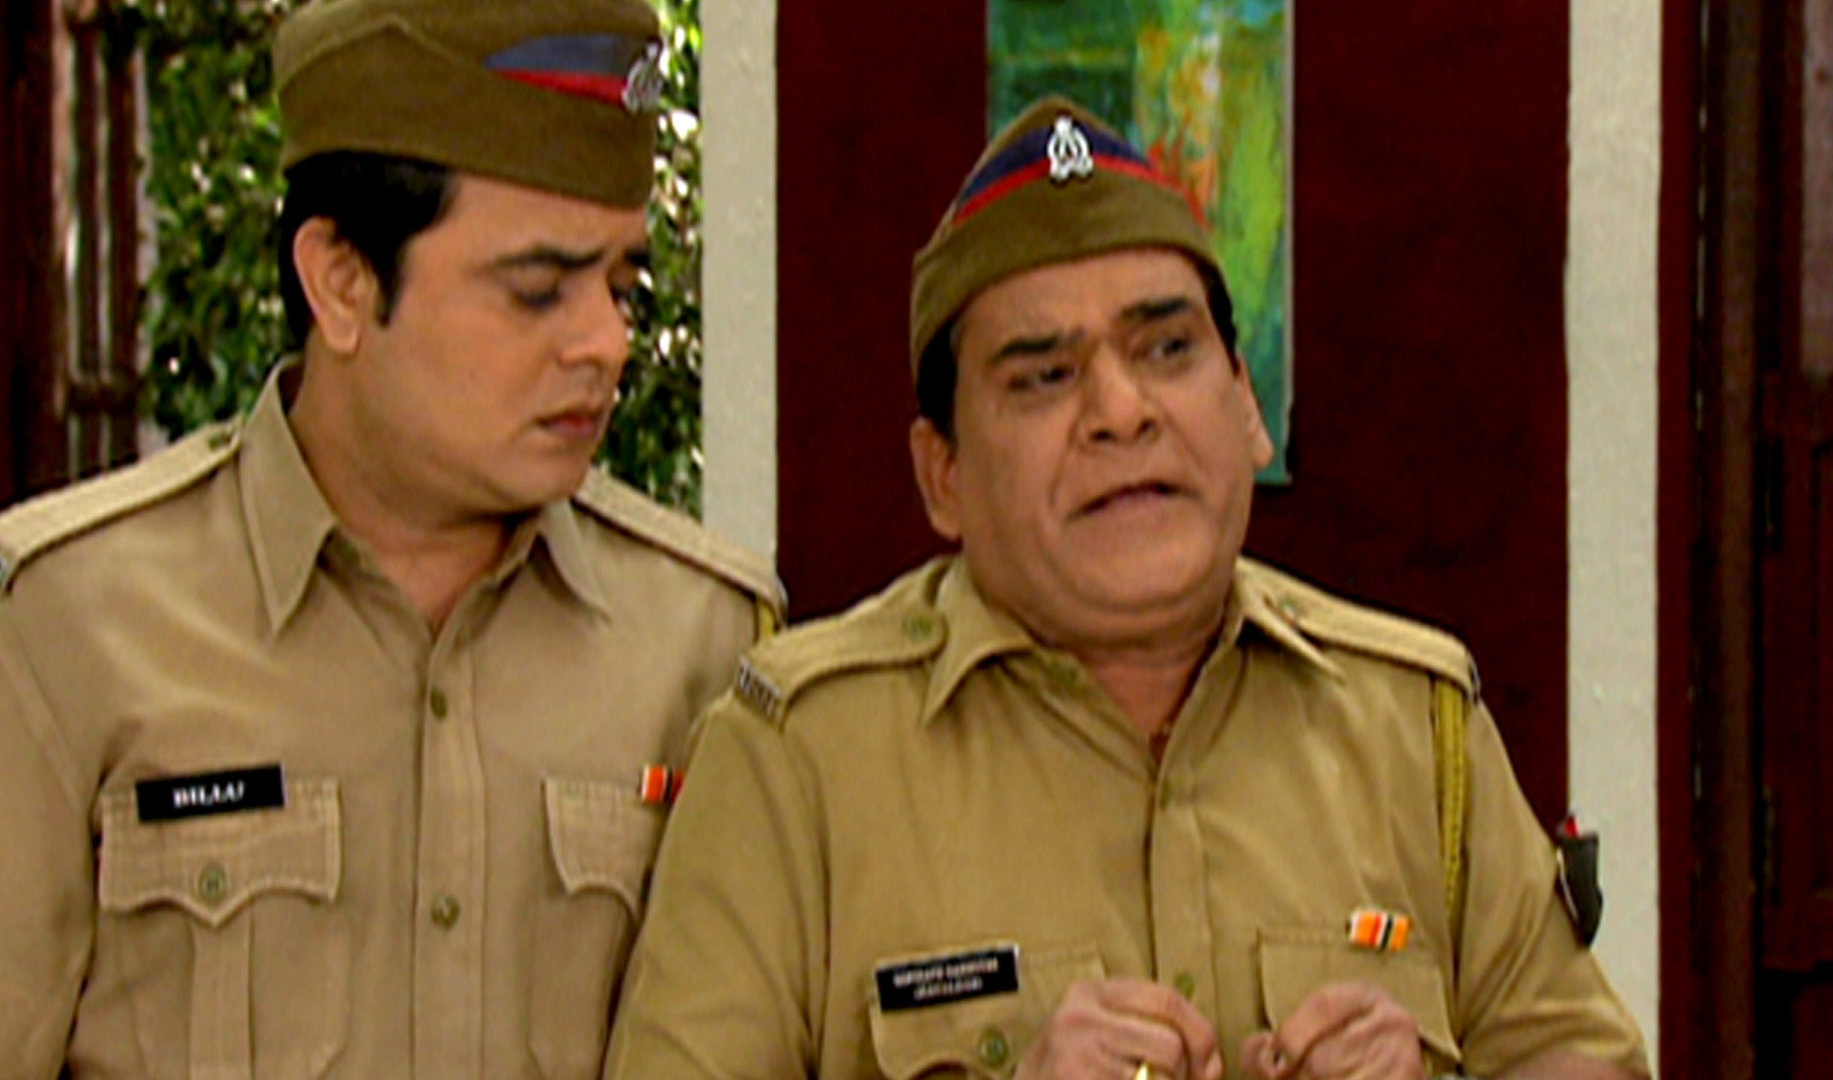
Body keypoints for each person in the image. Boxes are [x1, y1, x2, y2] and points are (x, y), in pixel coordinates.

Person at [604, 96, 1649, 1080]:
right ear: (943, 475)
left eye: (1168, 349)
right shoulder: (798, 758)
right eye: (1045, 375)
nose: (1122, 410)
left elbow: (1582, 1056)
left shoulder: (1414, 728)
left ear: (1246, 406)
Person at [0, 0, 781, 1076]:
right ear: (341, 280)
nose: (604, 343)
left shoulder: (704, 637)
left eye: (621, 288)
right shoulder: (69, 619)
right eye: (537, 291)